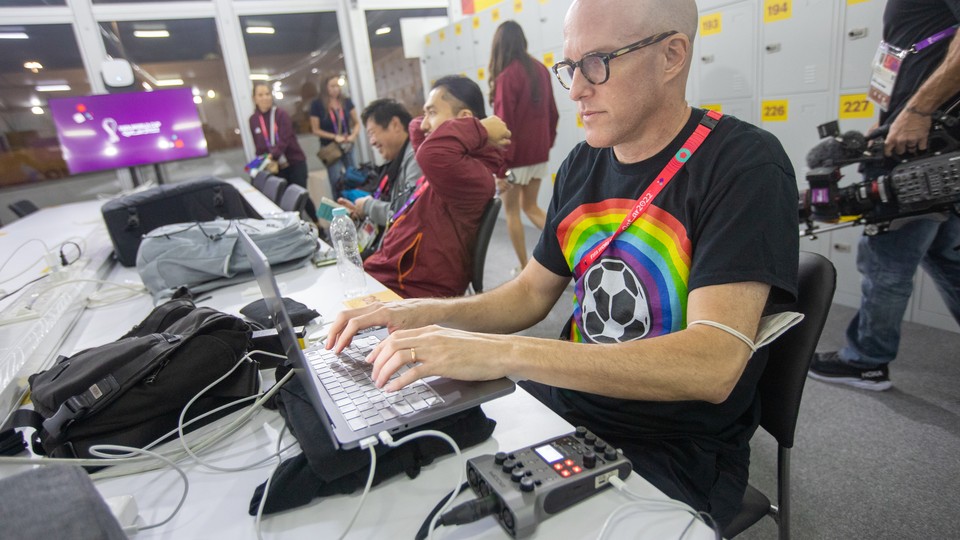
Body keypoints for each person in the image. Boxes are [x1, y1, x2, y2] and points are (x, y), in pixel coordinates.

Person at [327, 0, 799, 529]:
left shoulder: (743, 166)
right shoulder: (582, 163)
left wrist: (502, 353)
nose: (575, 90)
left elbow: (713, 363)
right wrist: (415, 314)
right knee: (400, 476)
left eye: (598, 62)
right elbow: (530, 293)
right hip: (568, 405)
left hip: (671, 443)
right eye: (570, 66)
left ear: (671, 56)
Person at [808, 0, 960, 392]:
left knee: (886, 263)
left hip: (922, 145)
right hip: (911, 140)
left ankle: (867, 361)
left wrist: (919, 112)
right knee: (945, 254)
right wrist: (882, 130)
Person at [361, 76, 508, 298]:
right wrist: (472, 127)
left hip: (410, 290)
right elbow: (415, 129)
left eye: (432, 113)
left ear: (465, 120)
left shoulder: (472, 174)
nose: (423, 123)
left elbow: (429, 152)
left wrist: (477, 128)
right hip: (392, 274)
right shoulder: (454, 163)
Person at [489, 20, 559, 271]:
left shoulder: (507, 76)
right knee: (531, 207)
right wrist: (545, 146)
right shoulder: (540, 69)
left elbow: (503, 126)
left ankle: (523, 268)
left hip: (513, 160)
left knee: (513, 213)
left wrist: (500, 167)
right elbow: (554, 113)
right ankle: (568, 249)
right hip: (538, 155)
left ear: (498, 46)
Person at [336, 99, 423, 256]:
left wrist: (369, 206)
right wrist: (362, 210)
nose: (372, 142)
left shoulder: (415, 158)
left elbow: (406, 214)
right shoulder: (398, 160)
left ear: (395, 125)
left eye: (372, 133)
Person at [248, 81, 316, 220]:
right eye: (260, 95)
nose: (264, 97)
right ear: (254, 98)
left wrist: (272, 156)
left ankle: (317, 223)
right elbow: (259, 147)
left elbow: (284, 140)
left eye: (267, 94)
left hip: (294, 162)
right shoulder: (253, 120)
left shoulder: (281, 114)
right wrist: (257, 167)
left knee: (300, 195)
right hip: (276, 167)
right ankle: (297, 227)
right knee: (285, 200)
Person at [310, 73, 361, 199]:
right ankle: (340, 209)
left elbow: (357, 123)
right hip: (331, 148)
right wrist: (334, 137)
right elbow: (315, 129)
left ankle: (356, 205)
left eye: (337, 86)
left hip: (347, 144)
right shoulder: (317, 104)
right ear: (325, 87)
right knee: (336, 180)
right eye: (332, 86)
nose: (335, 89)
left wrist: (353, 135)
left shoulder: (346, 101)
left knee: (353, 177)